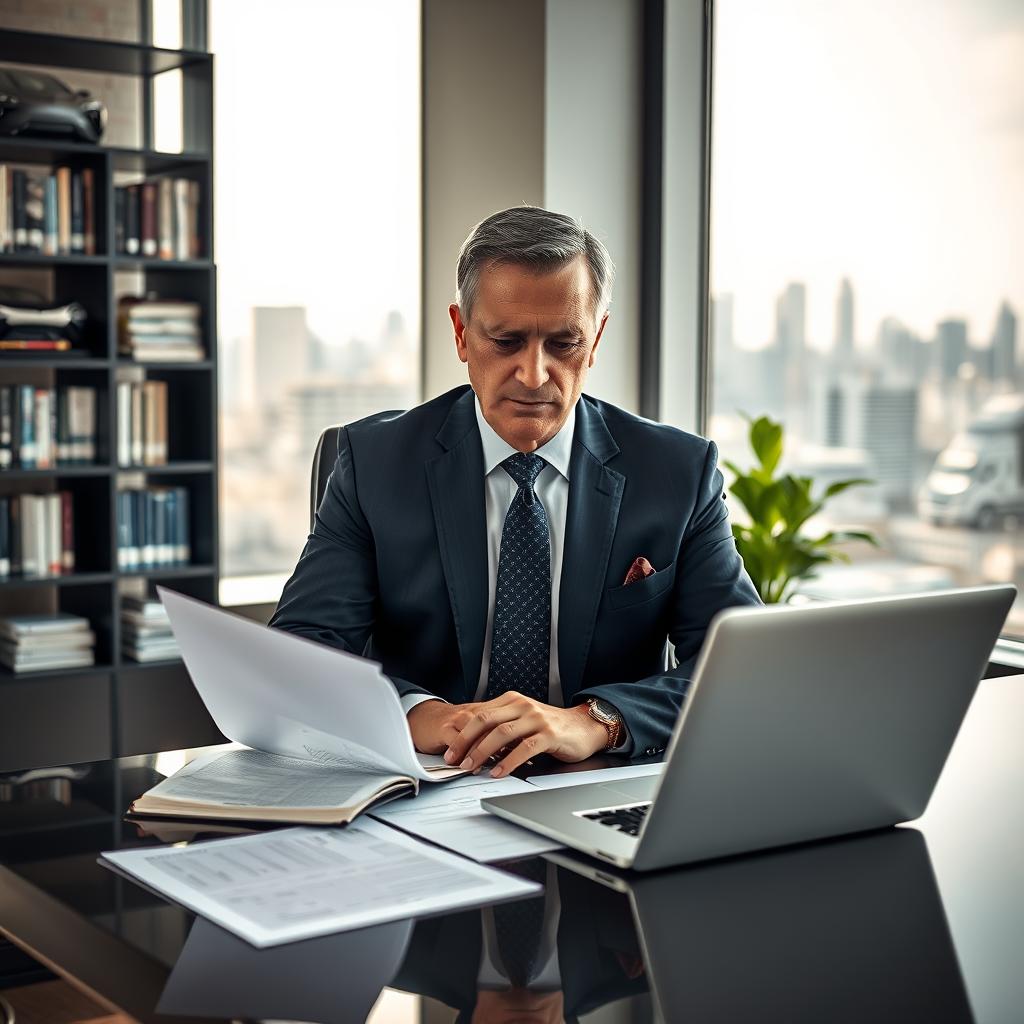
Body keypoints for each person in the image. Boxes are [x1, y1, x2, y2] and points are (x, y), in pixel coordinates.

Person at [270, 206, 759, 777]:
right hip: (425, 780)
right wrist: (418, 713)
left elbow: (740, 668)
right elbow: (300, 655)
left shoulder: (678, 471)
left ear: (596, 337)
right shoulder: (373, 464)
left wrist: (597, 719)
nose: (534, 374)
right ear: (460, 332)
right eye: (506, 341)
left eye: (564, 344)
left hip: (597, 784)